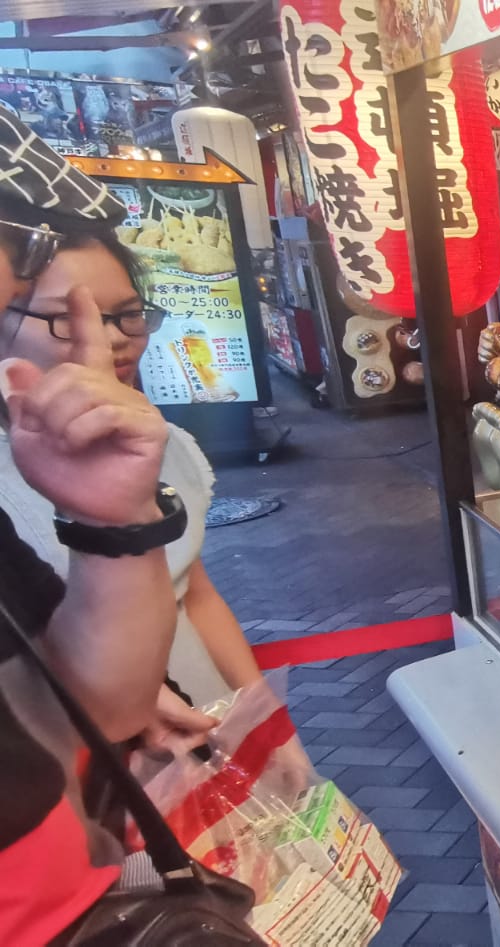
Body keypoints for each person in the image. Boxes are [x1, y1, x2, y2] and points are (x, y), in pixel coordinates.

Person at [0, 106, 186, 941]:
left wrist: (109, 518)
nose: (103, 343)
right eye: (53, 313)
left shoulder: (129, 447)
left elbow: (95, 699)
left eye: (122, 315)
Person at [0, 192, 265, 721]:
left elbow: (192, 592)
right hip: (91, 771)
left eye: (127, 315)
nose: (110, 341)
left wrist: (262, 716)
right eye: (64, 319)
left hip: (212, 733)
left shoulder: (159, 442)